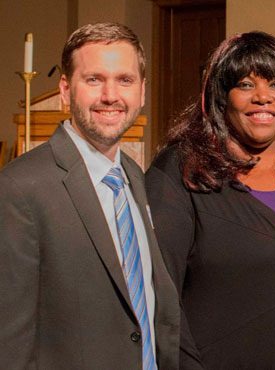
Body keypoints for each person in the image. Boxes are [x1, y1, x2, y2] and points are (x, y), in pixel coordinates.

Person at [145, 31, 275, 369]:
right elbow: (160, 295)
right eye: (244, 84)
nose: (263, 97)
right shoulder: (182, 171)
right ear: (220, 97)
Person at [0, 23, 179, 369]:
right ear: (66, 90)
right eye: (94, 79)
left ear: (142, 91)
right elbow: (10, 342)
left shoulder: (134, 176)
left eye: (125, 80)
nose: (110, 95)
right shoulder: (20, 189)